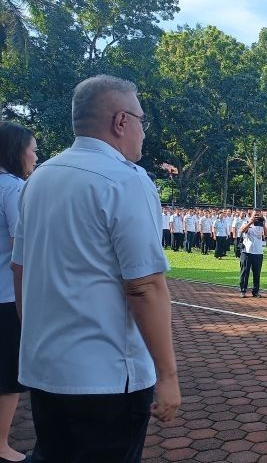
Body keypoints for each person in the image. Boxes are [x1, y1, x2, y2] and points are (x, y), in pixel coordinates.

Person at [10, 75, 180, 462]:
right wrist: (167, 377)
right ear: (121, 122)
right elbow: (145, 286)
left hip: (46, 366)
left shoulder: (40, 179)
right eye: (141, 121)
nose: (142, 133)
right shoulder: (125, 180)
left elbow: (20, 270)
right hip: (104, 375)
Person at [0, 121, 37, 463]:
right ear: (16, 151)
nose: (36, 156)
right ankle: (1, 444)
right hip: (6, 296)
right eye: (32, 149)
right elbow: (20, 251)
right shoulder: (13, 189)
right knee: (9, 376)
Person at [239, 211, 266, 298]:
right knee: (245, 272)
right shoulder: (246, 222)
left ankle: (255, 291)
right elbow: (242, 230)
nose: (257, 217)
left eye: (258, 215)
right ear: (250, 216)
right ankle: (243, 290)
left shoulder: (260, 224)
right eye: (255, 215)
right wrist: (250, 222)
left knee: (257, 273)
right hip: (247, 251)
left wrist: (263, 224)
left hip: (258, 252)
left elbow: (266, 234)